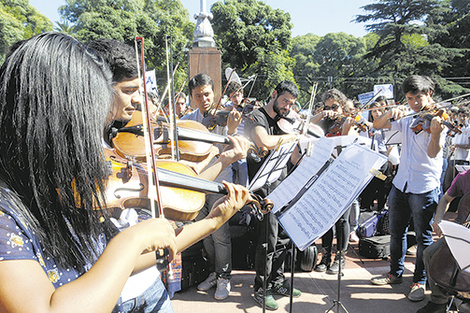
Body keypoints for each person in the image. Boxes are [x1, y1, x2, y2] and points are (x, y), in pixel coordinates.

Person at [0, 32, 251, 313]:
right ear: (51, 113)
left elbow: (115, 262)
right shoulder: (6, 211)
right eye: (91, 115)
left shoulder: (60, 183)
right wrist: (131, 239)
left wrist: (212, 222)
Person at [370, 75, 446, 303]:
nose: (414, 103)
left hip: (424, 185)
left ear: (429, 95)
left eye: (418, 98)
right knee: (396, 232)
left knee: (423, 238)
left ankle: (420, 281)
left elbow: (433, 153)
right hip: (401, 182)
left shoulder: (437, 118)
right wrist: (389, 113)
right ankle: (395, 273)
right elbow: (377, 125)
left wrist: (437, 132)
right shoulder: (408, 118)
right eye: (410, 98)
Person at [181, 73, 249, 300]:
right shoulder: (189, 120)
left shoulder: (227, 117)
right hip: (197, 186)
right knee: (205, 235)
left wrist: (230, 131)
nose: (204, 100)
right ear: (192, 98)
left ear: (215, 93)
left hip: (220, 185)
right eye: (198, 96)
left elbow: (235, 151)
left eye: (207, 94)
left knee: (220, 236)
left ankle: (224, 277)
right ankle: (212, 271)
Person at [245, 80, 302, 310]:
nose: (287, 107)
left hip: (283, 183)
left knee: (284, 238)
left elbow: (294, 160)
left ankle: (277, 280)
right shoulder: (256, 116)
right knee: (267, 239)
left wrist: (302, 143)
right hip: (264, 188)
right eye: (285, 101)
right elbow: (263, 141)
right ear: (274, 94)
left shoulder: (286, 121)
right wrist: (291, 137)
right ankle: (261, 287)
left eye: (291, 104)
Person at [417, 169, 470, 313]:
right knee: (429, 253)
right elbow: (445, 199)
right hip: (463, 231)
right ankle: (439, 301)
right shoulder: (463, 177)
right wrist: (438, 219)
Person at [312, 89, 354, 274]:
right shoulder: (323, 123)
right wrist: (322, 114)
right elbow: (307, 126)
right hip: (325, 172)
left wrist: (346, 124)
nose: (331, 110)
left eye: (334, 106)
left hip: (344, 174)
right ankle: (326, 255)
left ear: (342, 106)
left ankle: (341, 258)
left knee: (342, 219)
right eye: (327, 106)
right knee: (326, 218)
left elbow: (347, 143)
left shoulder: (348, 121)